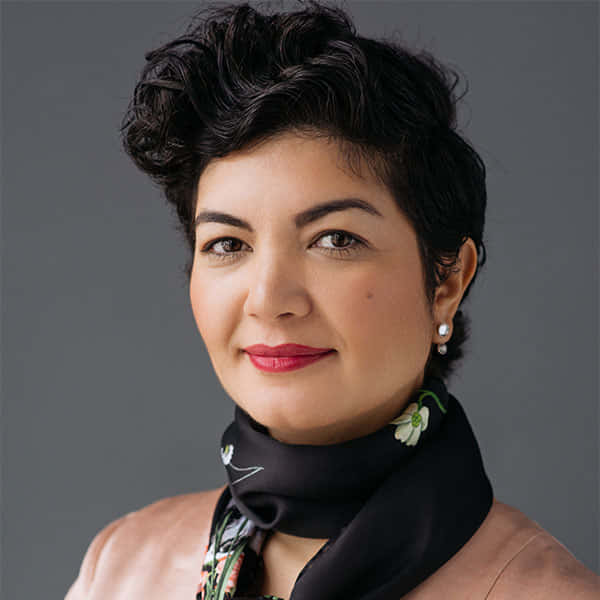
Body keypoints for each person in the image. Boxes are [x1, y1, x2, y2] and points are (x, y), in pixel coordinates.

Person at [64, 1, 599, 599]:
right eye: (228, 244)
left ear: (447, 282)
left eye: (335, 239)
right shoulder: (123, 567)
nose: (269, 300)